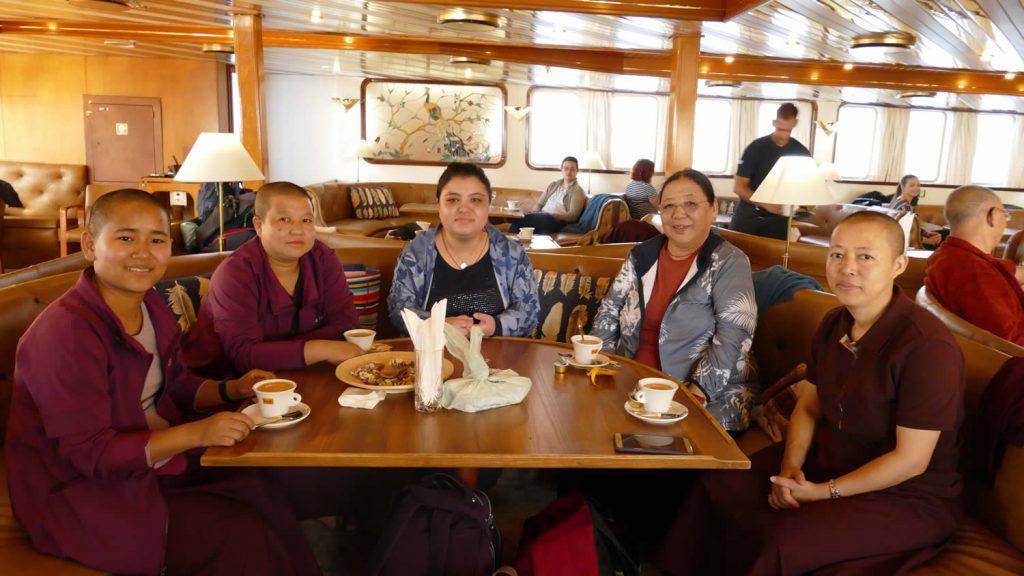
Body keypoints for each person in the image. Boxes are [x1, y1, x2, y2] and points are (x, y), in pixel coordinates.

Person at [5, 189, 320, 575]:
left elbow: (178, 384)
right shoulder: (66, 334)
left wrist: (232, 389)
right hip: (84, 491)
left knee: (263, 491)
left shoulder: (152, 305)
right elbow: (92, 455)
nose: (143, 252)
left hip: (158, 462)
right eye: (125, 238)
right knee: (240, 533)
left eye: (156, 239)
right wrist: (199, 433)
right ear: (90, 245)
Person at [658, 211, 965, 575]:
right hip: (829, 459)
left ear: (898, 265)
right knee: (718, 486)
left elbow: (911, 460)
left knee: (779, 543)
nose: (847, 268)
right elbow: (809, 405)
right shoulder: (835, 323)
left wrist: (822, 492)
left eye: (865, 256)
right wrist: (790, 468)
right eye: (837, 254)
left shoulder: (927, 346)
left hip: (907, 494)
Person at [590, 168, 757, 432]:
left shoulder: (729, 262)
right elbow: (609, 312)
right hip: (631, 388)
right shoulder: (640, 256)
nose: (679, 214)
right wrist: (598, 372)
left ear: (713, 209)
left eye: (691, 203)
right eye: (669, 206)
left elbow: (733, 337)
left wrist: (694, 397)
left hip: (700, 398)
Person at [185, 181, 363, 376]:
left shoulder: (323, 259)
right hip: (229, 384)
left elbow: (347, 325)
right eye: (284, 220)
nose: (298, 230)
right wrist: (320, 348)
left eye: (306, 220)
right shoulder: (235, 274)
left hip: (303, 373)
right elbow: (244, 356)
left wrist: (277, 351)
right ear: (259, 225)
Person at [389, 162, 540, 337]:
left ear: (487, 206)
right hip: (435, 356)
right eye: (452, 200)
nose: (464, 208)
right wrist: (437, 325)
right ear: (439, 205)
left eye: (475, 200)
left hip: (499, 357)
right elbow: (399, 310)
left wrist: (496, 325)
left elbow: (529, 311)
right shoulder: (415, 254)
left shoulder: (512, 254)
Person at [925, 185, 1024, 344]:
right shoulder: (977, 273)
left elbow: (1005, 270)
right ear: (992, 216)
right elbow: (1011, 344)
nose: (1005, 222)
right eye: (1005, 215)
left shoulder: (948, 255)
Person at [731, 103, 811, 240]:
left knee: (774, 260)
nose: (783, 134)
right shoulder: (756, 148)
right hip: (748, 218)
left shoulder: (801, 153)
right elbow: (739, 187)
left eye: (788, 130)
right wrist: (767, 204)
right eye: (780, 128)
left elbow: (805, 188)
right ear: (774, 122)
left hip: (778, 222)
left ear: (795, 124)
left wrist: (802, 206)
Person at [511, 156, 586, 235]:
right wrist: (535, 212)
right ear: (561, 170)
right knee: (516, 225)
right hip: (542, 218)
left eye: (572, 169)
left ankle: (514, 218)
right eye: (566, 168)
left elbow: (572, 216)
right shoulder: (553, 185)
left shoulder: (577, 191)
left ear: (577, 171)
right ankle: (513, 243)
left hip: (557, 221)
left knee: (544, 218)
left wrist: (552, 215)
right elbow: (540, 204)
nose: (568, 172)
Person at [888, 174, 942, 248]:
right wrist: (928, 241)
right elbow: (905, 235)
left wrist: (926, 233)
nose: (916, 188)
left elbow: (911, 228)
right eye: (912, 185)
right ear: (902, 187)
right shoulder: (904, 207)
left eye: (918, 185)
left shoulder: (898, 201)